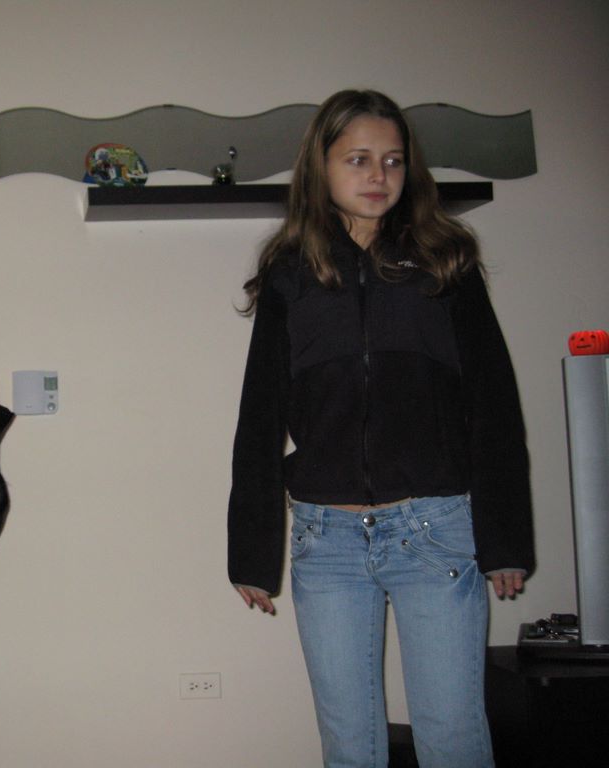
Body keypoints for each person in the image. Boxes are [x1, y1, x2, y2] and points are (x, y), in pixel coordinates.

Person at [227, 90, 535, 768]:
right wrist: (251, 553)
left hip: (433, 530)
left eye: (393, 161)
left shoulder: (446, 262)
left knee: (452, 736)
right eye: (358, 159)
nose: (378, 175)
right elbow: (259, 416)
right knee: (349, 744)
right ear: (320, 166)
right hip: (326, 540)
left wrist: (505, 540)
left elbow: (493, 403)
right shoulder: (289, 274)